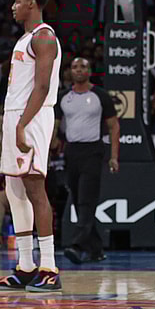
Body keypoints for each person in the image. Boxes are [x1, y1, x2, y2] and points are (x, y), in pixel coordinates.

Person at [0, 0, 63, 292]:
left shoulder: (44, 36)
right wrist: (6, 129)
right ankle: (25, 267)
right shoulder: (26, 38)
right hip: (16, 116)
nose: (13, 6)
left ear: (32, 3)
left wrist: (20, 126)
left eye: (18, 1)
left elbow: (43, 87)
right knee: (14, 190)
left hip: (31, 117)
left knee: (34, 186)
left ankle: (49, 268)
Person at [54, 57, 120, 265]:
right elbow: (54, 125)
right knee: (77, 201)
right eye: (75, 67)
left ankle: (76, 245)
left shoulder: (100, 95)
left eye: (83, 66)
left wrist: (114, 157)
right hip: (72, 152)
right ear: (70, 72)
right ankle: (96, 249)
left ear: (90, 70)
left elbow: (114, 127)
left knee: (86, 200)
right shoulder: (63, 97)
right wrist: (51, 143)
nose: (79, 70)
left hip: (93, 150)